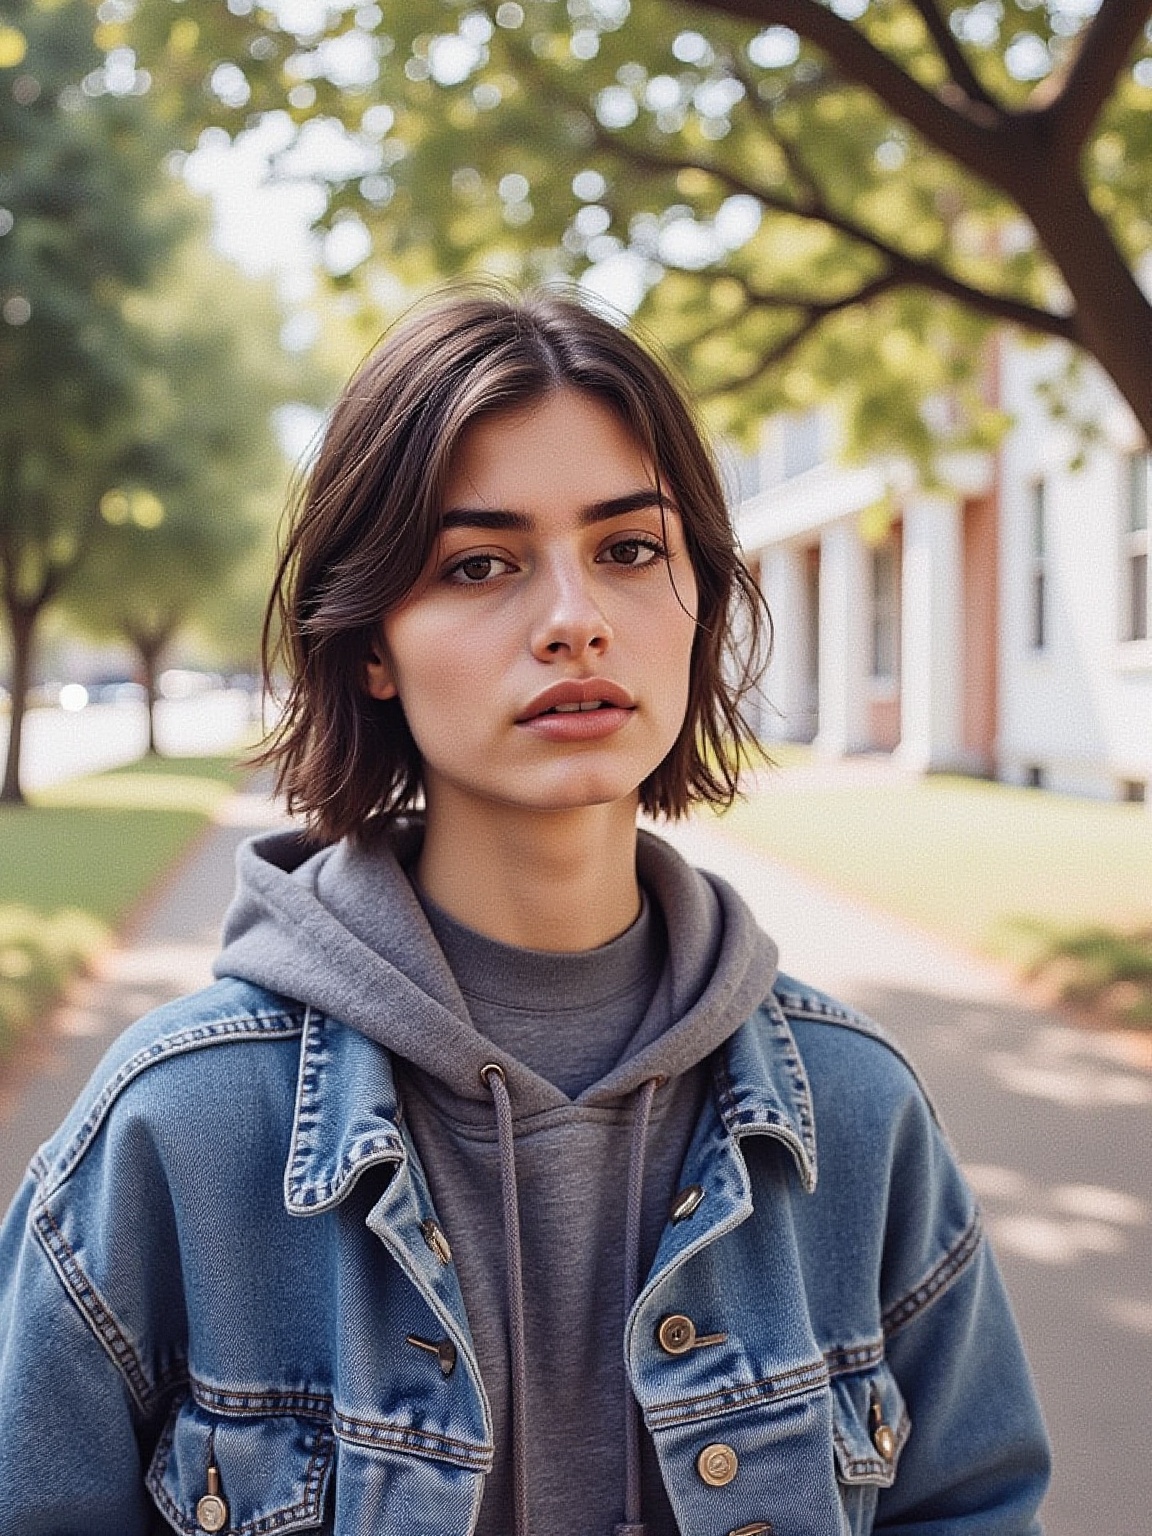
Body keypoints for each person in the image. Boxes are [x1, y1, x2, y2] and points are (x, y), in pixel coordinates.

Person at [0, 287, 1049, 1536]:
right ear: (371, 642)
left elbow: (972, 1503)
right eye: (479, 563)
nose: (574, 620)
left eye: (628, 548)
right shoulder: (174, 1130)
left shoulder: (859, 1115)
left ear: (699, 595)